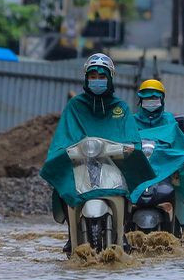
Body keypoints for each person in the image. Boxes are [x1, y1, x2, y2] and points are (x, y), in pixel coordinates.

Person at [40, 54, 155, 252]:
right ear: (86, 78)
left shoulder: (120, 107)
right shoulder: (75, 106)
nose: (97, 80)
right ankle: (71, 234)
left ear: (110, 78)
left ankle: (122, 232)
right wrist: (63, 151)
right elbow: (64, 136)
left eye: (101, 76)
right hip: (80, 165)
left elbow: (131, 136)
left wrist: (129, 148)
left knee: (127, 188)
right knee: (62, 188)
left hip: (113, 165)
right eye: (92, 76)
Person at [131, 79, 184, 231]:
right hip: (137, 174)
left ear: (162, 100)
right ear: (140, 100)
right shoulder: (131, 122)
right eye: (147, 98)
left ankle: (175, 224)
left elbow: (182, 146)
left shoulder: (169, 121)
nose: (151, 102)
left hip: (165, 173)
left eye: (154, 98)